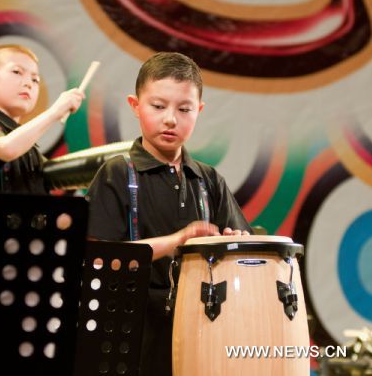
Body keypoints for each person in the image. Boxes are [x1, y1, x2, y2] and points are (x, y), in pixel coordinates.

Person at [86, 52, 252, 375]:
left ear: (199, 111)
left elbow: (241, 249)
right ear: (135, 106)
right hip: (127, 333)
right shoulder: (117, 173)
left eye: (184, 109)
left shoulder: (208, 179)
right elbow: (97, 259)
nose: (171, 119)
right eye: (158, 107)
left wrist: (235, 246)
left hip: (202, 330)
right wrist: (176, 241)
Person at [0, 44, 84, 193]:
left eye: (35, 80)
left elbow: (62, 177)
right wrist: (54, 112)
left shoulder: (29, 150)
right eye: (17, 72)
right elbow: (6, 149)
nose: (28, 83)